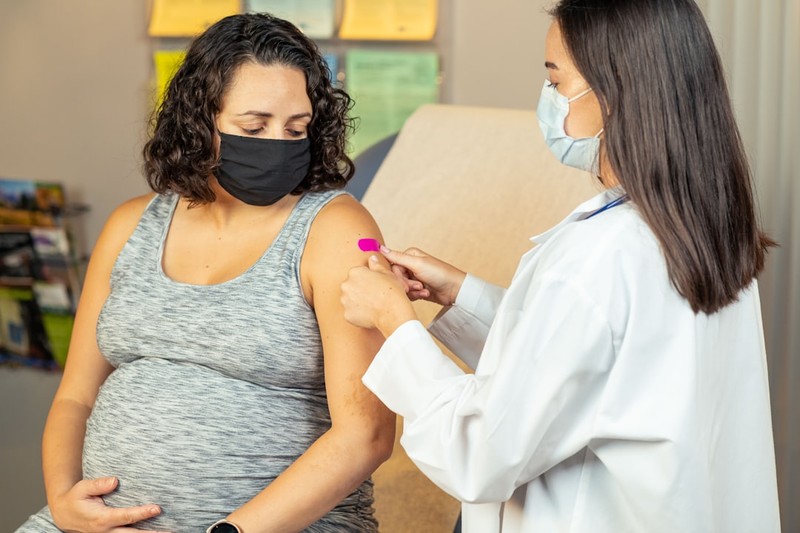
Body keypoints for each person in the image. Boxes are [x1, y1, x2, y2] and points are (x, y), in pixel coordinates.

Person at [339, 0, 782, 532]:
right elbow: (590, 362)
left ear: (617, 93)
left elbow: (479, 456)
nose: (547, 99)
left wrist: (395, 324)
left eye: (556, 81)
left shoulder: (599, 256)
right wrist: (461, 294)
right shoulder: (698, 228)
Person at [18, 13, 395, 533]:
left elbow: (367, 435)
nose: (279, 144)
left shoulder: (336, 229)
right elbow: (75, 396)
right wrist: (63, 501)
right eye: (254, 127)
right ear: (199, 122)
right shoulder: (130, 224)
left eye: (296, 128)